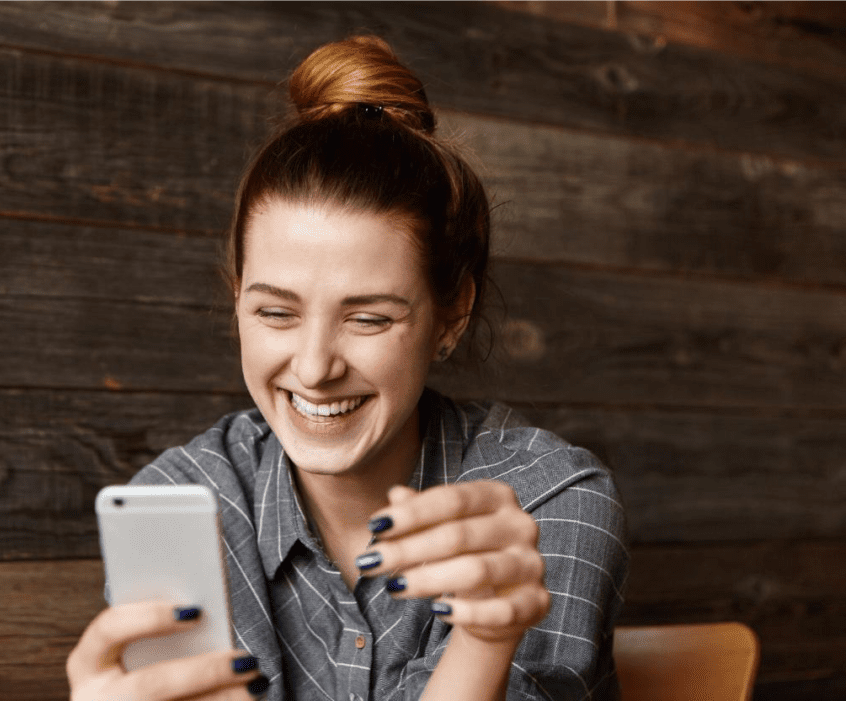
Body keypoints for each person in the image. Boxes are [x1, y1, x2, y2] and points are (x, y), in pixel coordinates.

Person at [67, 35, 627, 701]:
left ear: (451, 314)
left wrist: (486, 642)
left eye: (368, 319)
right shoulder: (186, 503)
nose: (313, 366)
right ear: (236, 299)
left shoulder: (549, 500)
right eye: (276, 313)